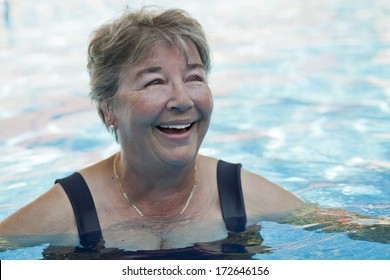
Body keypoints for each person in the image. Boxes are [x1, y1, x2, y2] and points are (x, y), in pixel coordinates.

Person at [0, 7, 303, 251]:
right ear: (109, 110)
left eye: (194, 77)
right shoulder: (70, 209)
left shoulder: (240, 195)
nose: (182, 100)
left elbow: (345, 229)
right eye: (154, 82)